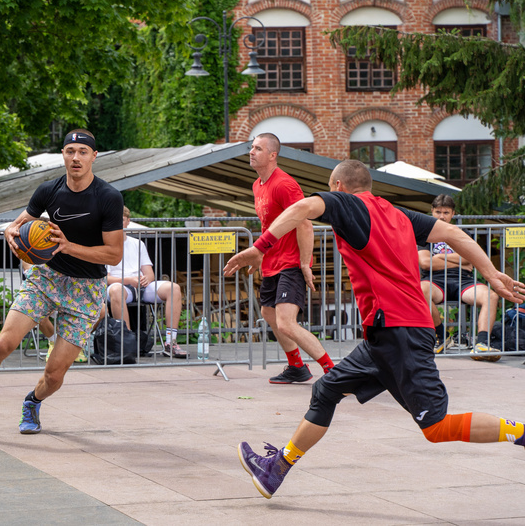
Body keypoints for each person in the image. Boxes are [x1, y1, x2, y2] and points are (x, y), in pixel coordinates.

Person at [224, 160, 525, 500]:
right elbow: (454, 234)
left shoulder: (347, 204)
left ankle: (522, 433)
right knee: (325, 390)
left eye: (330, 188)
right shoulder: (399, 215)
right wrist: (491, 273)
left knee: (437, 427)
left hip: (401, 334)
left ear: (338, 186)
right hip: (383, 335)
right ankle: (276, 469)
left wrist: (258, 247)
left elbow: (304, 207)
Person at [0, 129, 123, 435]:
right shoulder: (48, 190)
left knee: (55, 374)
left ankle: (32, 401)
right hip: (46, 278)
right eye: (70, 151)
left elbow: (114, 254)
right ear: (63, 154)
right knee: (3, 344)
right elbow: (18, 224)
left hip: (86, 289)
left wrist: (67, 245)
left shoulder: (108, 197)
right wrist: (11, 232)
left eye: (83, 152)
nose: (76, 157)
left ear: (94, 156)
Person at [248, 133, 334, 383]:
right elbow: (269, 227)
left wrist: (305, 264)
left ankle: (333, 371)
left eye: (258, 148)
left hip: (290, 263)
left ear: (273, 155)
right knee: (269, 314)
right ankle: (297, 367)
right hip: (272, 263)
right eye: (251, 148)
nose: (252, 152)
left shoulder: (284, 184)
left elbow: (305, 224)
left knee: (286, 322)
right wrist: (260, 254)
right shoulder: (258, 185)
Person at [418, 194, 500, 361]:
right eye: (438, 212)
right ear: (432, 211)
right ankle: (441, 337)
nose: (441, 216)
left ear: (453, 213)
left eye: (446, 212)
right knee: (419, 290)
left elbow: (470, 260)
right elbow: (426, 263)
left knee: (490, 295)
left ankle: (482, 344)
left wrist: (440, 258)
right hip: (435, 281)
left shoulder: (463, 232)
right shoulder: (424, 233)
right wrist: (459, 260)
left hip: (464, 281)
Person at [107, 206, 188, 358]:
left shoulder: (138, 244)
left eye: (122, 220)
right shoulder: (105, 243)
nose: (118, 224)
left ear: (128, 221)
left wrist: (146, 279)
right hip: (119, 285)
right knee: (116, 290)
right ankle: (127, 343)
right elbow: (104, 278)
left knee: (173, 288)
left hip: (141, 285)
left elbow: (149, 273)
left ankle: (171, 342)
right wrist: (128, 280)